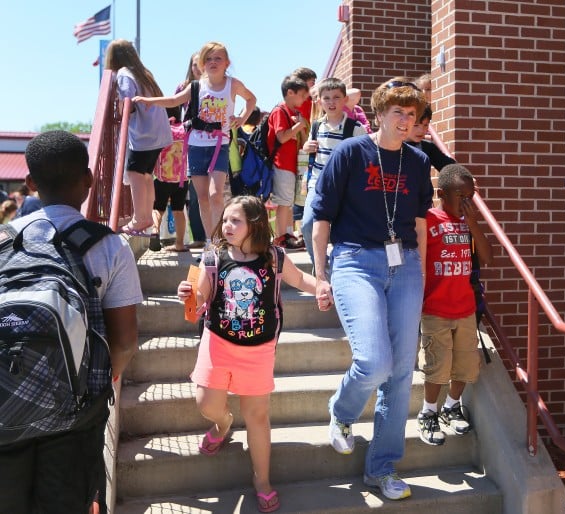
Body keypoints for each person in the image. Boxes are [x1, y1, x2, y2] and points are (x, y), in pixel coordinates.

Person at [0, 130, 142, 514]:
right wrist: (101, 379)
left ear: (30, 184)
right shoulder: (110, 246)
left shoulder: (2, 241)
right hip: (76, 417)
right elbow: (126, 340)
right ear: (89, 180)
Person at [311, 77, 432, 501]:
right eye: (397, 112)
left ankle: (382, 467)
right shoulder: (350, 152)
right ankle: (342, 411)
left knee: (401, 372)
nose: (405, 120)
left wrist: (423, 274)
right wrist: (321, 274)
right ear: (379, 114)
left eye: (412, 115)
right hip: (354, 262)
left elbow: (419, 224)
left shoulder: (417, 163)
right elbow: (322, 217)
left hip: (405, 267)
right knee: (374, 362)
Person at [176, 195, 329, 513]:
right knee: (206, 403)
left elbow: (300, 279)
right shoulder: (214, 256)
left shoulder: (273, 256)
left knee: (258, 416)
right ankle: (222, 425)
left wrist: (323, 288)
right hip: (217, 343)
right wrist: (188, 294)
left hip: (259, 350)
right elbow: (201, 297)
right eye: (226, 219)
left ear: (255, 225)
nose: (227, 226)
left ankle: (262, 480)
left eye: (236, 221)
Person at [133, 41, 256, 244]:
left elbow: (251, 99)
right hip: (197, 145)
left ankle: (222, 238)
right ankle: (211, 241)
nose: (213, 62)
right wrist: (150, 101)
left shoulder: (233, 84)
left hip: (220, 144)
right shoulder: (197, 86)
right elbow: (174, 101)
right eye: (208, 58)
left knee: (216, 194)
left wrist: (241, 118)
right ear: (201, 63)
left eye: (218, 58)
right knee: (203, 198)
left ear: (227, 62)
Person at [416, 163, 494, 446]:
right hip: (435, 309)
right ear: (441, 193)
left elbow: (488, 257)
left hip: (465, 310)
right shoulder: (429, 219)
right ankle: (429, 412)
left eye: (470, 197)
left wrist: (473, 224)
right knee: (437, 367)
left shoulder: (468, 222)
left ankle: (452, 405)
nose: (466, 202)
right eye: (460, 196)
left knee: (465, 365)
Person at [104, 39, 172, 236]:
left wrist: (119, 107)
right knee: (145, 175)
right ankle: (146, 217)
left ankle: (140, 218)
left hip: (144, 132)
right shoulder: (143, 72)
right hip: (158, 130)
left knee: (134, 173)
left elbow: (128, 102)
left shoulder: (124, 74)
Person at [301, 77, 367, 266]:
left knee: (341, 228)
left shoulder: (356, 128)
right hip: (317, 183)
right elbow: (311, 154)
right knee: (307, 225)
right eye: (327, 98)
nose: (331, 102)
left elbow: (365, 159)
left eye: (336, 97)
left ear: (345, 100)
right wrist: (307, 147)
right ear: (319, 101)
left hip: (344, 187)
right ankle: (320, 265)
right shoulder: (316, 126)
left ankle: (342, 265)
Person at [268, 75, 310, 250]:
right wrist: (299, 126)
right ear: (290, 93)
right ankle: (280, 238)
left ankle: (288, 234)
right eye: (302, 95)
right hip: (281, 163)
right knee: (284, 203)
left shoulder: (293, 112)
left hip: (290, 164)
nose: (305, 99)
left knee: (288, 202)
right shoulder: (280, 110)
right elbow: (282, 137)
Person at [149, 107, 190, 252]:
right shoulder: (185, 129)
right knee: (179, 210)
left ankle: (155, 231)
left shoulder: (160, 130)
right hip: (181, 180)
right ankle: (179, 244)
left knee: (157, 208)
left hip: (162, 178)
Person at [176, 51, 206, 248]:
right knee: (191, 194)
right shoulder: (183, 87)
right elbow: (175, 112)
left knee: (207, 194)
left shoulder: (214, 86)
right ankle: (198, 237)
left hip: (210, 142)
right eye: (194, 64)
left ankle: (210, 236)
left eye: (200, 64)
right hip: (185, 142)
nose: (197, 68)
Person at [406, 104, 456, 171]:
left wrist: (463, 176)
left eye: (425, 125)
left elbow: (448, 166)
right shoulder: (393, 146)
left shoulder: (428, 147)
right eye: (416, 125)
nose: (421, 130)